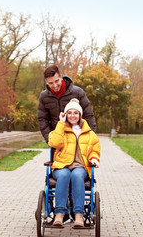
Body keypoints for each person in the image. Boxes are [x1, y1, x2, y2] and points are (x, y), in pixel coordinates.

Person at [48, 98, 100, 227]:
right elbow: (54, 143)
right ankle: (59, 214)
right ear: (65, 115)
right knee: (65, 175)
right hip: (62, 166)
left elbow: (94, 148)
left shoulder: (89, 133)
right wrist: (60, 124)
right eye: (69, 113)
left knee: (76, 175)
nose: (72, 115)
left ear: (80, 115)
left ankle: (79, 215)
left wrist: (94, 158)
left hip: (80, 166)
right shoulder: (60, 130)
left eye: (75, 113)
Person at [37, 65, 96, 144]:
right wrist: (49, 140)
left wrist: (90, 137)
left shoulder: (78, 92)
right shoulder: (44, 97)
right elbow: (42, 119)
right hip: (58, 140)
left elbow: (88, 116)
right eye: (50, 83)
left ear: (61, 77)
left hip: (77, 138)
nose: (54, 85)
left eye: (56, 81)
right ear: (46, 82)